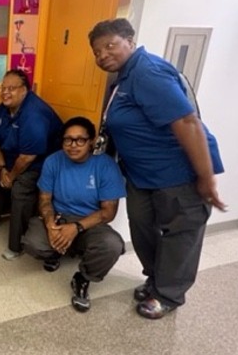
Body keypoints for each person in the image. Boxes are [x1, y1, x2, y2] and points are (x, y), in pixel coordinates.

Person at [88, 18, 226, 319]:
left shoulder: (148, 71)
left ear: (130, 41)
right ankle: (155, 280)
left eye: (110, 45)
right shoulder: (122, 80)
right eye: (97, 52)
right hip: (142, 176)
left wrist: (205, 177)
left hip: (177, 175)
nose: (103, 55)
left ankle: (168, 294)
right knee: (142, 227)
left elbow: (187, 122)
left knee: (180, 234)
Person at [22, 117, 125, 312]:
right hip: (59, 216)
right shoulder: (53, 161)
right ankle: (55, 252)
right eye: (68, 140)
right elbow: (44, 199)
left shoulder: (106, 166)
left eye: (80, 140)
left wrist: (76, 228)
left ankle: (82, 278)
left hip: (90, 222)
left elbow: (108, 212)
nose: (73, 145)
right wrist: (51, 225)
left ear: (92, 141)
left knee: (112, 245)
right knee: (33, 243)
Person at [0, 69, 63, 260]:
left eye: (11, 88)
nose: (5, 92)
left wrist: (11, 177)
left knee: (19, 190)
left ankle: (17, 244)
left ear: (24, 90)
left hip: (41, 163)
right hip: (14, 160)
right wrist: (3, 169)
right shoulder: (2, 109)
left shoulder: (34, 114)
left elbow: (28, 157)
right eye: (3, 88)